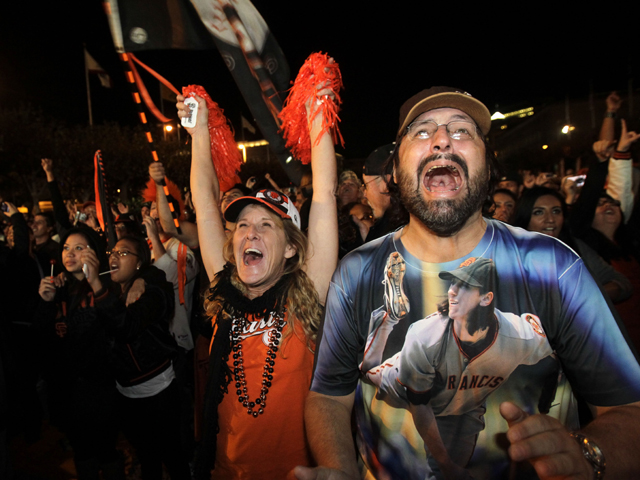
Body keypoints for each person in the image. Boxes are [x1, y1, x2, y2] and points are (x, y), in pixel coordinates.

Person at [299, 86, 640, 480]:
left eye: (462, 131)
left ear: (489, 167)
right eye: (422, 131)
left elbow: (628, 410)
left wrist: (588, 452)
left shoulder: (551, 267)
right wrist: (339, 468)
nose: (442, 139)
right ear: (394, 170)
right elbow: (328, 396)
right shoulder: (357, 272)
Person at [179, 76, 338, 479]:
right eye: (244, 224)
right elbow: (205, 201)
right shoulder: (225, 290)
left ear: (290, 248)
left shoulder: (307, 295)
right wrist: (199, 132)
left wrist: (318, 116)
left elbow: (323, 194)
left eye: (266, 225)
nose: (250, 232)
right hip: (225, 471)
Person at [83, 235, 191, 480]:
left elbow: (126, 327)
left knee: (173, 456)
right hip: (126, 396)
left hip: (159, 393)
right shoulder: (111, 292)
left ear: (139, 262)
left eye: (123, 253)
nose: (113, 257)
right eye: (112, 253)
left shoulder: (152, 290)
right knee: (146, 458)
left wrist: (142, 278)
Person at [35, 227, 122, 479]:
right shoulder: (56, 286)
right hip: (67, 391)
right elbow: (41, 341)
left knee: (107, 450)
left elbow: (119, 327)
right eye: (65, 248)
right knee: (82, 453)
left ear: (94, 253)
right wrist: (44, 303)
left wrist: (95, 282)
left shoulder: (105, 284)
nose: (70, 253)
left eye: (79, 248)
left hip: (101, 389)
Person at [513, 186, 632, 305]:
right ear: (525, 217)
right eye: (538, 212)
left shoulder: (574, 247)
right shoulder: (509, 254)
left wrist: (588, 297)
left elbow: (621, 282)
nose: (550, 219)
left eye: (556, 211)